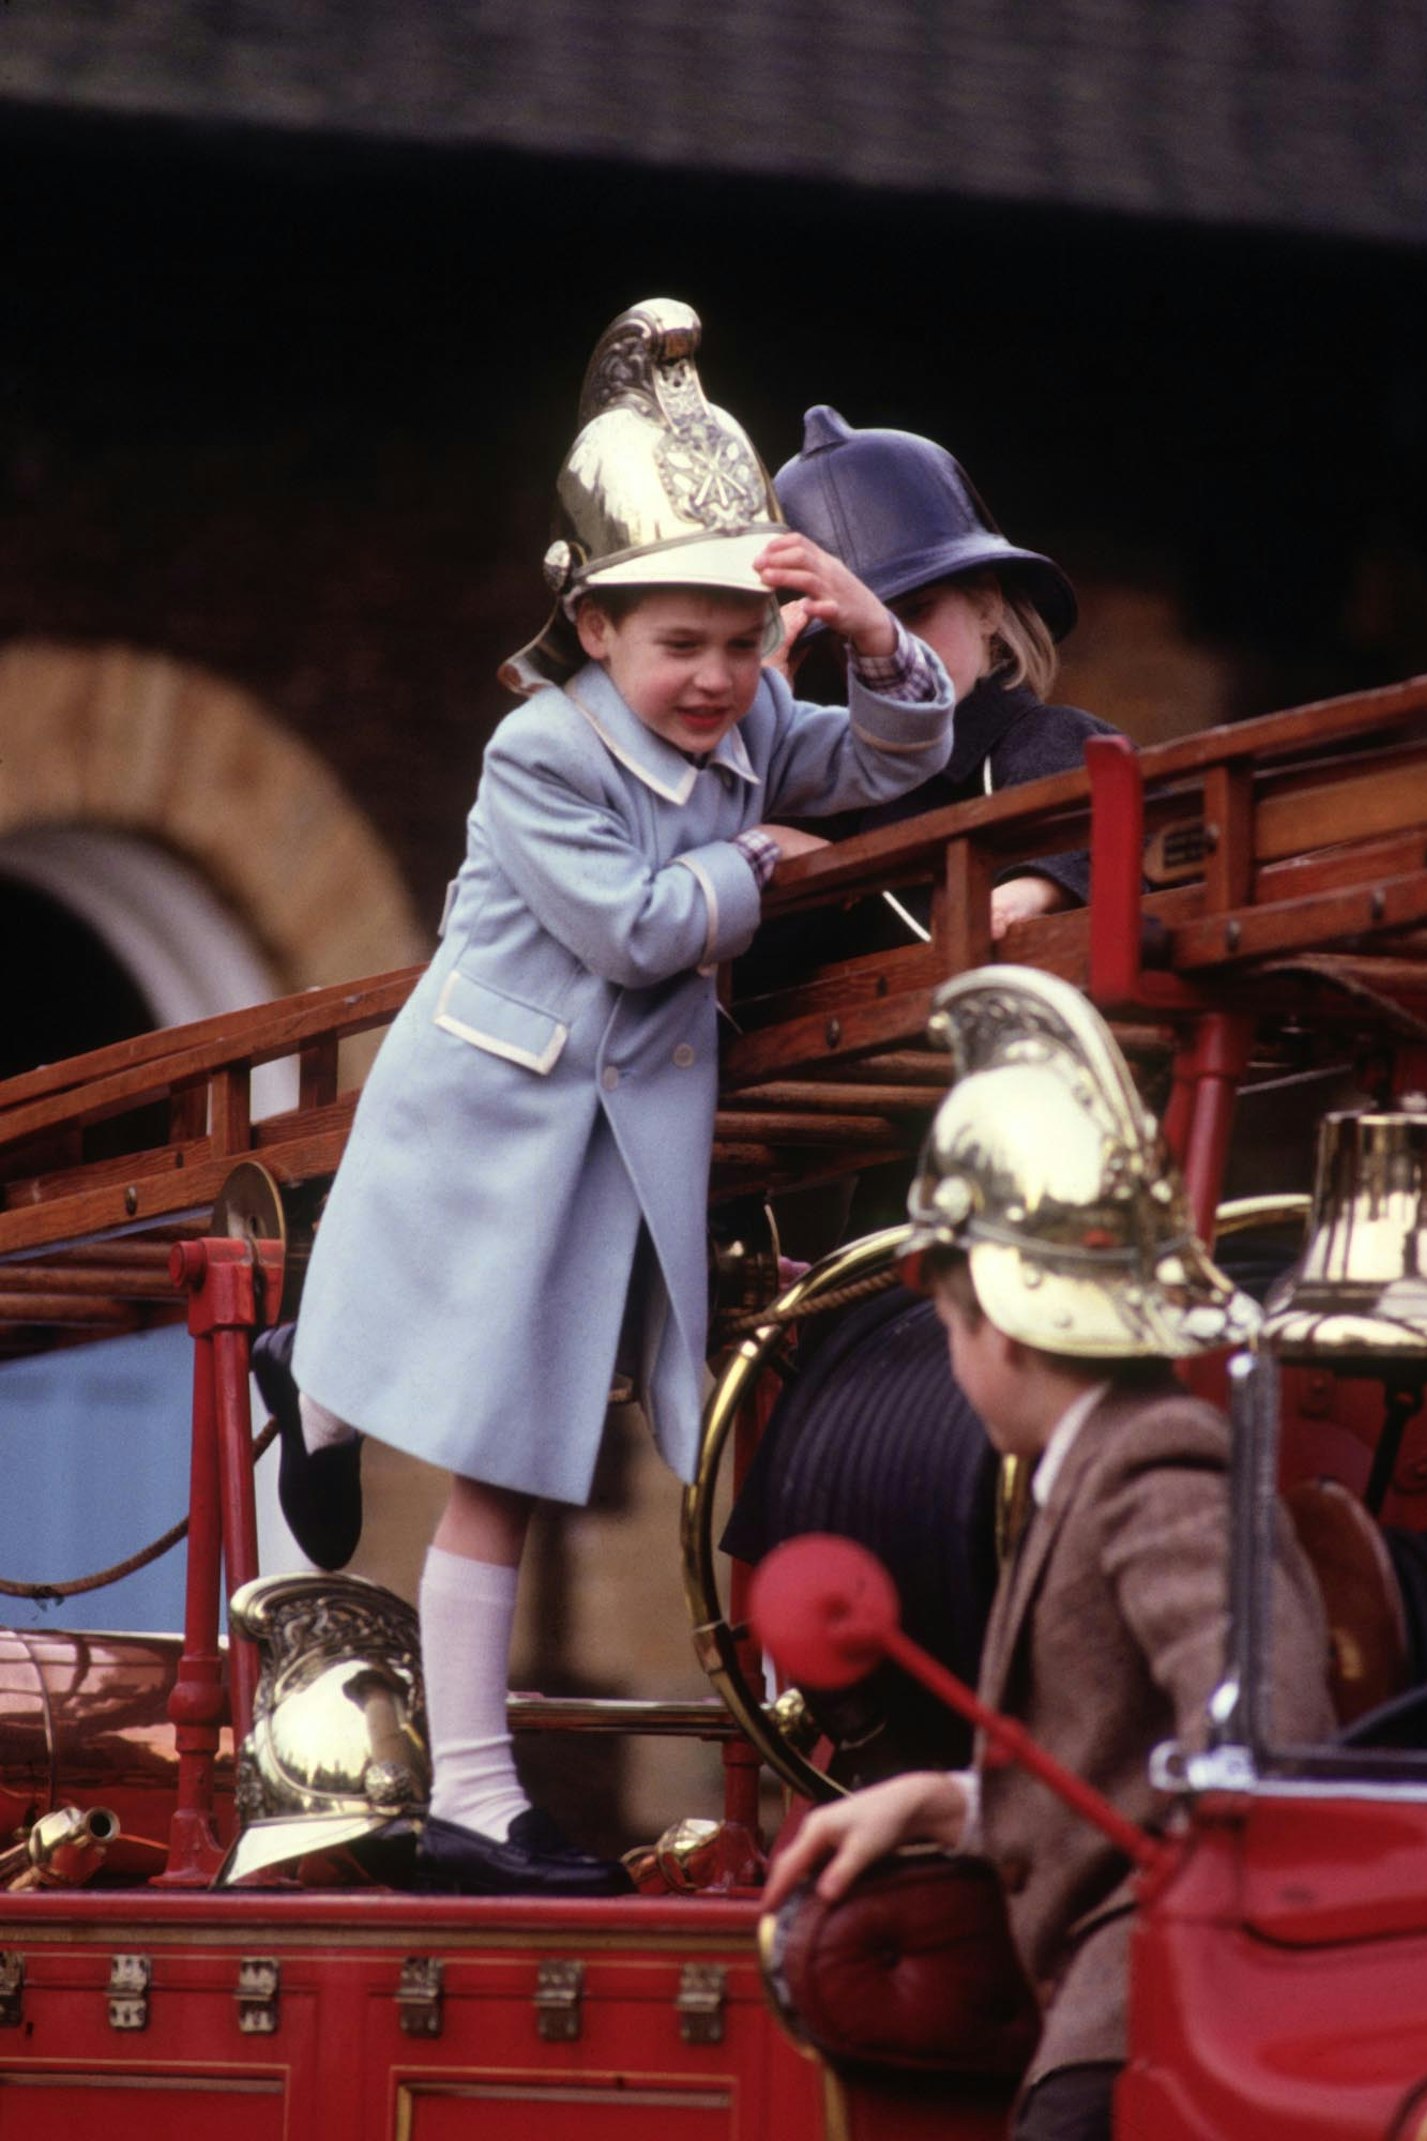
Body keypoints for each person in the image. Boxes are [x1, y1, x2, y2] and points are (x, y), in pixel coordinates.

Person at [251, 298, 956, 1897]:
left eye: (739, 642)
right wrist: (754, 861)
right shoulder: (540, 757)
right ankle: (477, 1793)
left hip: (610, 1139)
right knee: (506, 1457)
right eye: (677, 646)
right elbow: (636, 933)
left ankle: (326, 1378)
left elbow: (894, 764)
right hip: (493, 1129)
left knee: (541, 1444)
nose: (716, 681)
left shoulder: (759, 709)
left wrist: (870, 632)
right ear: (591, 633)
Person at [761, 966, 1336, 2140]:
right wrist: (948, 1799)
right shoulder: (1090, 1462)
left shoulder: (1152, 1464)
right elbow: (1119, 1763)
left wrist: (1155, 1947)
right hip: (1112, 2014)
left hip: (1146, 2023)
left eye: (949, 1330)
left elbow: (1268, 1740)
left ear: (1002, 1325)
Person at [765, 405, 1117, 950]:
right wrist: (755, 727)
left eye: (917, 610)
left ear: (987, 604)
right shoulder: (828, 798)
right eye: (852, 635)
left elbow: (1091, 833)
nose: (894, 645)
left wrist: (1025, 895)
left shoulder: (1049, 739)